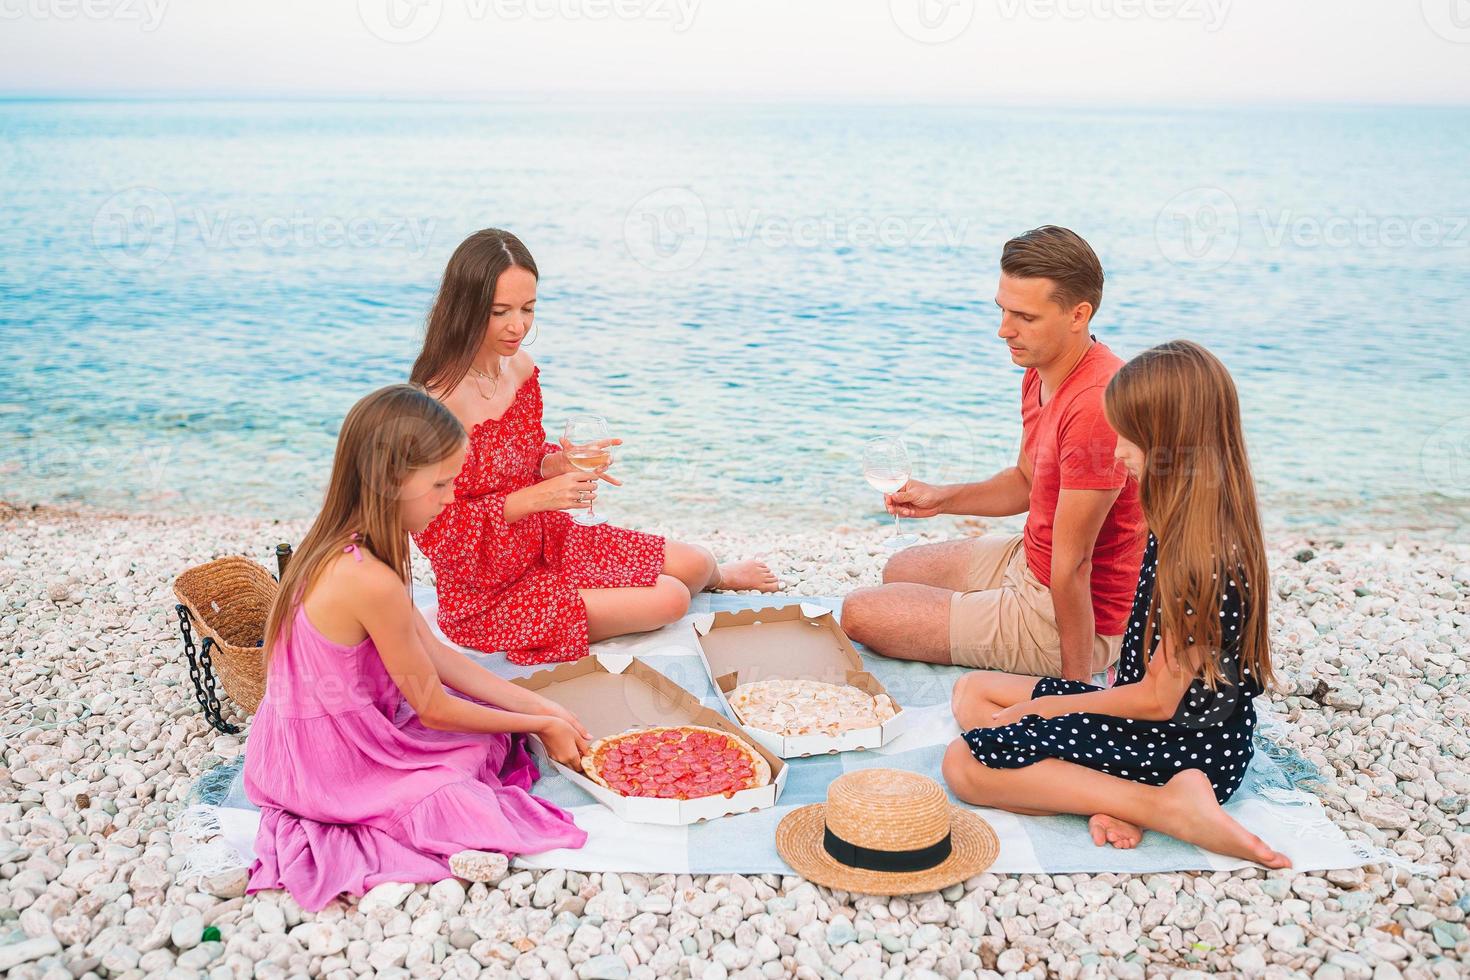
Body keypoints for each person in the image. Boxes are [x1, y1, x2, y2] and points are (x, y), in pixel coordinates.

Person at [941, 341, 1290, 868]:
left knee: (964, 763)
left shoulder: (1202, 556)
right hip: (1154, 712)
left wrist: (1047, 707)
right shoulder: (1185, 513)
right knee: (974, 693)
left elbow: (1157, 702)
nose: (1117, 449)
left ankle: (1163, 806)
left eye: (1129, 436)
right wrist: (1056, 703)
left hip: (1187, 747)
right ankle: (1117, 795)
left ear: (1171, 443)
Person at [243, 385, 591, 912]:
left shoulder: (350, 539)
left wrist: (542, 707)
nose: (452, 498)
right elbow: (432, 704)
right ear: (391, 481)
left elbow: (438, 655)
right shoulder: (367, 578)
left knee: (486, 732)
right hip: (327, 761)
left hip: (321, 728)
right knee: (458, 791)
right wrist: (537, 725)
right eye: (441, 484)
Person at [409, 229, 778, 666]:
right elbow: (432, 532)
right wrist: (530, 499)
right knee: (672, 599)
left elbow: (519, 458)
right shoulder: (434, 402)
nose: (518, 326)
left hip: (548, 541)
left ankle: (719, 576)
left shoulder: (520, 368)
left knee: (698, 563)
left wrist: (554, 463)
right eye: (499, 312)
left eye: (528, 309)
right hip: (487, 591)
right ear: (465, 308)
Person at [841, 226, 1146, 683]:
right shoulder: (1042, 368)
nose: (1004, 330)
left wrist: (1073, 690)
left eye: (1024, 316)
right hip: (1034, 560)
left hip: (1073, 612)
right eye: (1003, 310)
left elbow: (1076, 564)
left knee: (860, 613)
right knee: (899, 569)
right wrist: (941, 499)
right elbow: (1026, 483)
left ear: (1078, 314)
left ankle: (1078, 660)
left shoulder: (1095, 405)